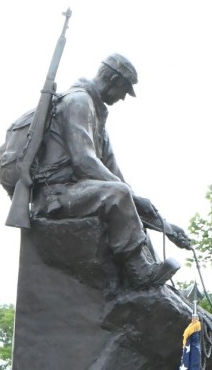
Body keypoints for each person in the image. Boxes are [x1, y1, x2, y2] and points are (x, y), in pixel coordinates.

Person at [31, 53, 191, 290]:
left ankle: (154, 275)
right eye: (124, 91)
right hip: (57, 195)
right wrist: (130, 197)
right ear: (113, 80)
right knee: (118, 195)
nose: (123, 98)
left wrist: (164, 225)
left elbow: (116, 176)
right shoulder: (78, 101)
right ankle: (140, 272)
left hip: (77, 192)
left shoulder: (98, 117)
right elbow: (84, 162)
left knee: (124, 198)